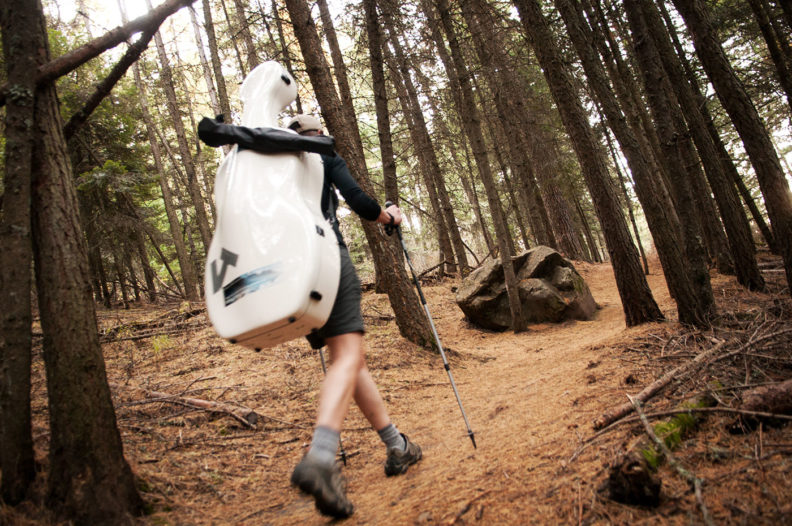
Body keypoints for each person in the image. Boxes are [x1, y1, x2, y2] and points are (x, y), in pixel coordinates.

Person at [286, 114, 422, 519]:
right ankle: (321, 457)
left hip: (294, 273)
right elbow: (360, 203)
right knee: (347, 358)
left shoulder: (276, 161)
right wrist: (390, 217)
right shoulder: (324, 155)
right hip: (328, 258)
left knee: (347, 359)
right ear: (318, 134)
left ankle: (397, 447)